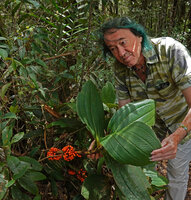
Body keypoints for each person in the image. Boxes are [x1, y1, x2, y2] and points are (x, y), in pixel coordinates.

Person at [98, 17, 191, 200]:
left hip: (182, 121)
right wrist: (105, 141)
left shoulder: (171, 51)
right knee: (137, 171)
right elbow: (124, 114)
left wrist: (179, 134)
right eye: (113, 49)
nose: (121, 53)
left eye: (123, 42)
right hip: (150, 128)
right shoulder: (120, 69)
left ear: (139, 36)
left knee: (176, 176)